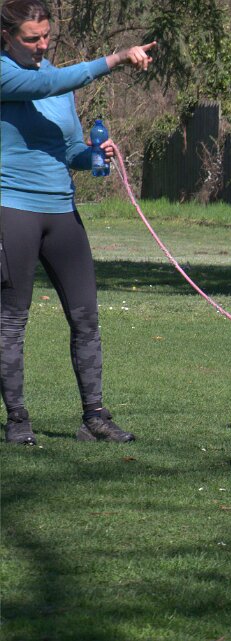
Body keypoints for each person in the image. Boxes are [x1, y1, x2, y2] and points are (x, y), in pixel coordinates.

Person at [1, 0, 156, 445]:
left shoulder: (58, 83)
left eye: (46, 36)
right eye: (31, 38)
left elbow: (69, 150)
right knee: (11, 322)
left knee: (86, 317)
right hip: (12, 209)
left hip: (62, 212)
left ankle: (95, 418)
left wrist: (93, 155)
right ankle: (18, 422)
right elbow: (47, 83)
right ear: (6, 37)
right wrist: (116, 58)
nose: (42, 45)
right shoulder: (6, 74)